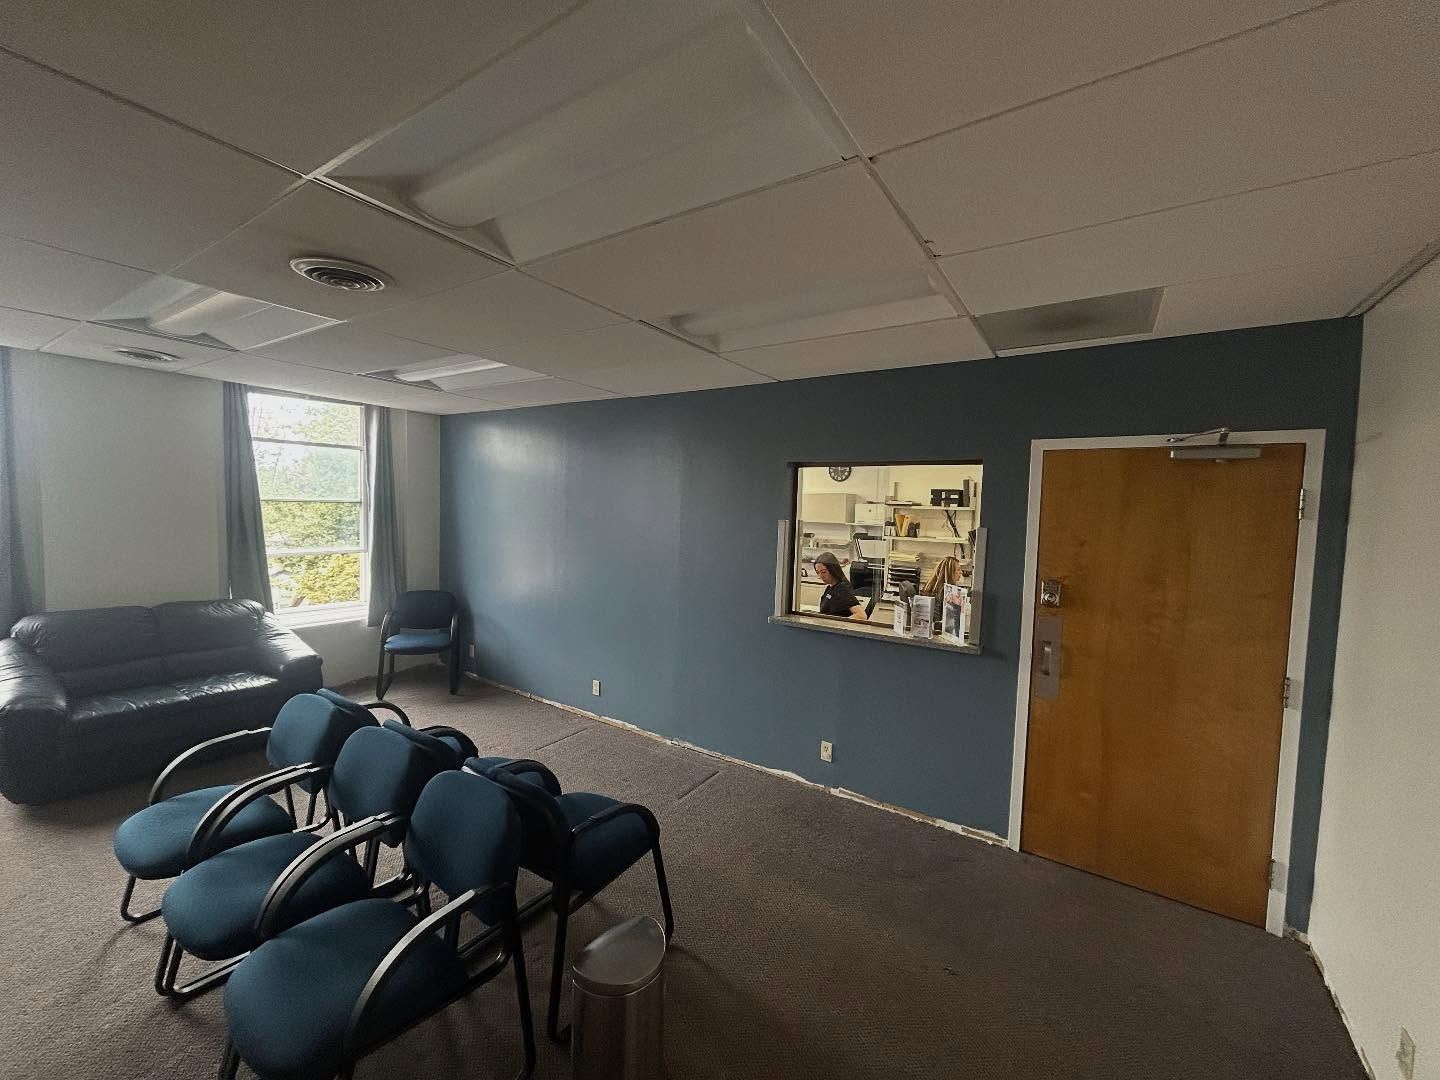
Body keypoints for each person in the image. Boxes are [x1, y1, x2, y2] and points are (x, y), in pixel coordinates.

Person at [813, 551, 867, 621]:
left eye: (823, 572)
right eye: (818, 572)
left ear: (833, 570)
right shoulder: (830, 587)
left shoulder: (842, 589)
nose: (820, 576)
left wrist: (838, 624)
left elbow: (861, 616)